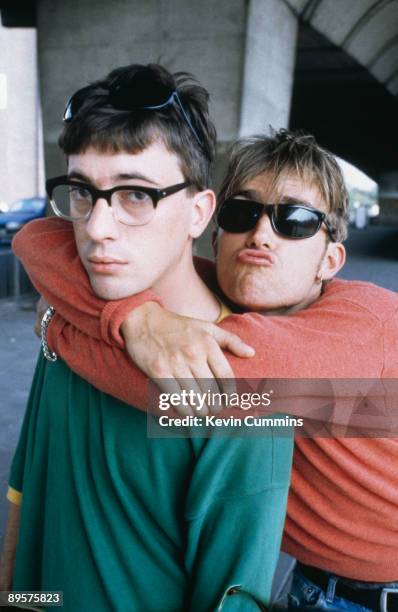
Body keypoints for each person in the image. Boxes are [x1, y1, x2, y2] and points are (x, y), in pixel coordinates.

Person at [13, 129, 398, 611]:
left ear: (332, 260)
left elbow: (194, 391)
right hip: (310, 586)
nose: (261, 233)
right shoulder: (213, 304)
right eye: (243, 212)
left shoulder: (364, 326)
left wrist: (61, 326)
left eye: (295, 220)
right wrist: (138, 316)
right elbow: (40, 237)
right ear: (215, 235)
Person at [0, 64, 294, 611]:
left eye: (136, 194)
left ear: (198, 213)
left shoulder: (243, 390)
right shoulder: (65, 328)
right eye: (83, 193)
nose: (95, 228)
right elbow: (27, 495)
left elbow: (232, 600)